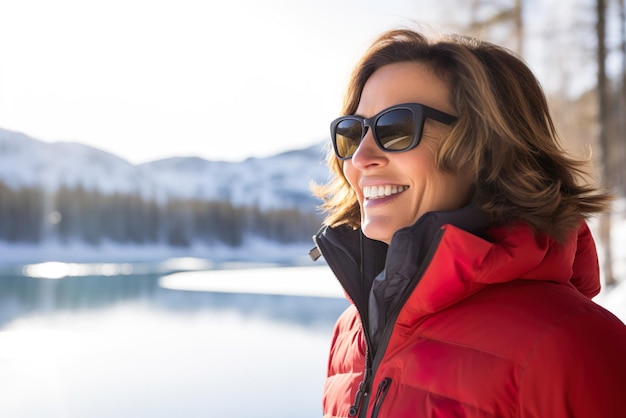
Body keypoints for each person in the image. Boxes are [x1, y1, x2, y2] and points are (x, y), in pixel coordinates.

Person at [309, 28, 626, 418]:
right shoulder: (351, 330)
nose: (360, 157)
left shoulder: (572, 347)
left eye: (396, 129)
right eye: (352, 133)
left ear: (488, 149)